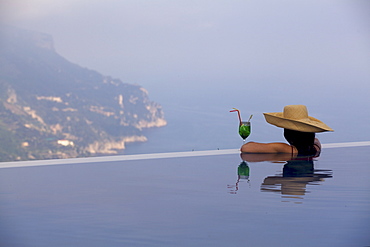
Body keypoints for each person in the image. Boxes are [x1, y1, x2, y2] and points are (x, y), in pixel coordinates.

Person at [241, 105, 333, 156]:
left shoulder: (286, 149)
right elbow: (315, 140)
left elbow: (246, 148)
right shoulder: (316, 147)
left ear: (288, 133)